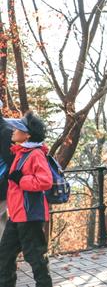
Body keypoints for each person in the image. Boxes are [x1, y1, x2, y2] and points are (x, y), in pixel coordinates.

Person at [0, 112, 53, 287]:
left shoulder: (35, 154)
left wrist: (21, 180)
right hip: (16, 215)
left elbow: (45, 181)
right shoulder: (21, 152)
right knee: (4, 257)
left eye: (18, 128)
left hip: (30, 215)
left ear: (27, 135)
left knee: (36, 260)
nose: (13, 131)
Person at [0, 100, 15, 238]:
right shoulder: (6, 129)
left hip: (2, 181)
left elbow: (9, 158)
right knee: (2, 219)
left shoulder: (5, 130)